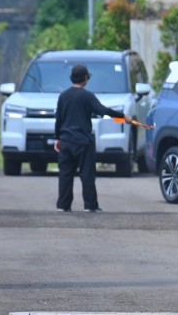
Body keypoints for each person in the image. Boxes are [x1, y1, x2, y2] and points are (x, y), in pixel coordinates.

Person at [54, 65, 131, 212]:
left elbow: (59, 118)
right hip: (83, 141)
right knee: (87, 174)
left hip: (66, 140)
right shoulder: (87, 96)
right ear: (85, 78)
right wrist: (122, 117)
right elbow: (103, 111)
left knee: (65, 173)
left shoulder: (63, 96)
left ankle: (63, 205)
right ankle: (90, 205)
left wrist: (57, 138)